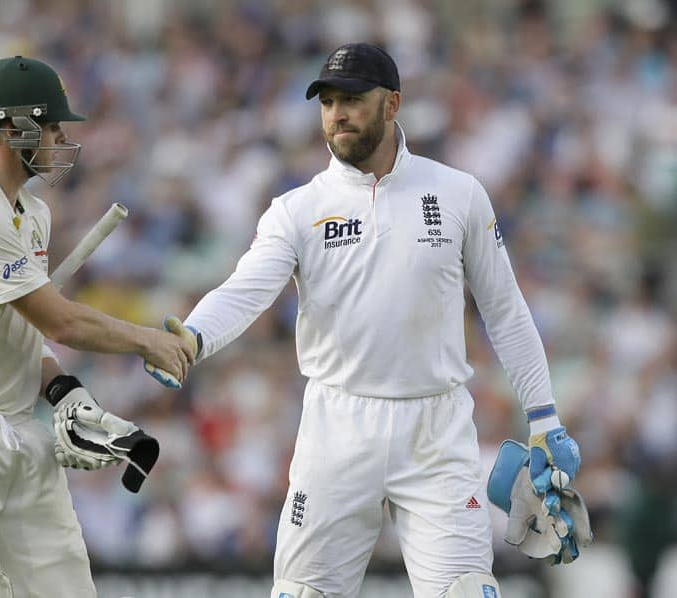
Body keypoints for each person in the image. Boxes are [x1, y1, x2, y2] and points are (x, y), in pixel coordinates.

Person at [149, 43, 581, 598]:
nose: (337, 114)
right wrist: (193, 337)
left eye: (352, 99)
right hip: (337, 427)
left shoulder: (457, 193)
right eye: (327, 102)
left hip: (437, 429)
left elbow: (505, 309)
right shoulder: (297, 209)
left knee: (467, 592)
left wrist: (544, 417)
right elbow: (244, 290)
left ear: (393, 103)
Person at [0, 56, 194, 598]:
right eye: (50, 126)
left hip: (16, 430)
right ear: (10, 126)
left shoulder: (33, 213)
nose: (59, 137)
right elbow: (61, 321)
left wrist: (64, 390)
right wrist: (149, 340)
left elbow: (20, 331)